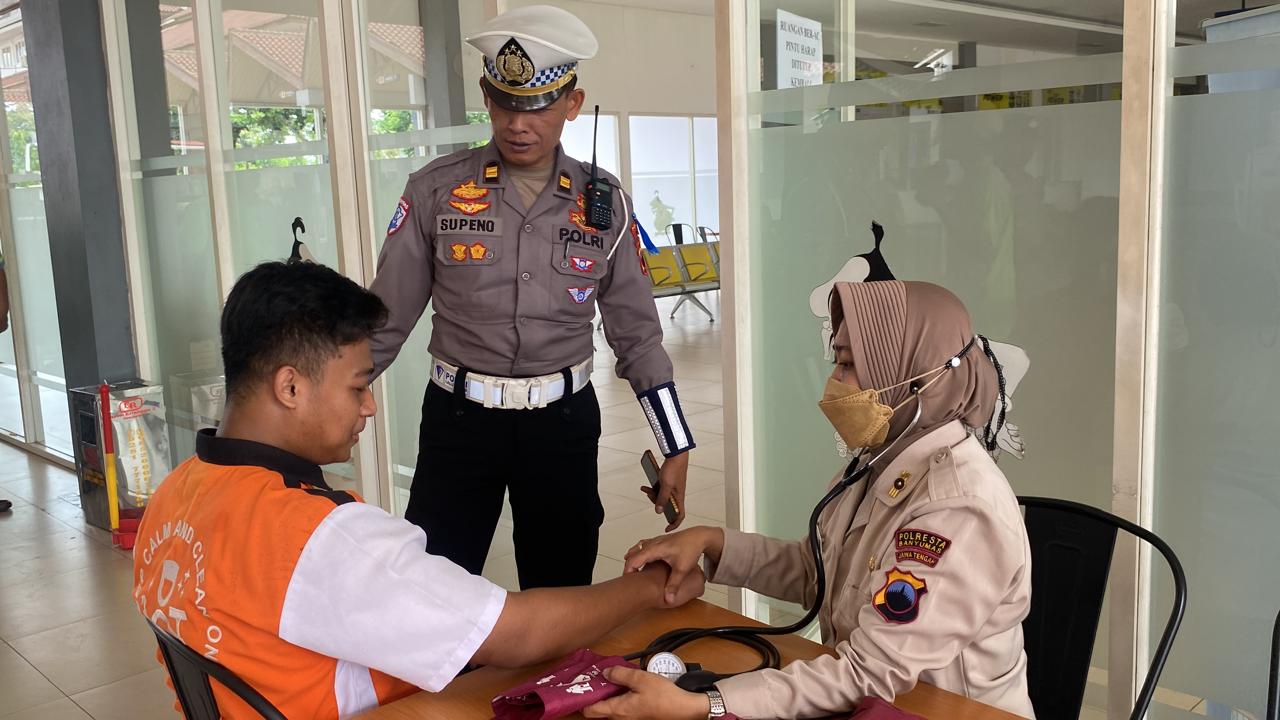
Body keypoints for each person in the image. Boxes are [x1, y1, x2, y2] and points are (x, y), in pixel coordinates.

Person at [131, 260, 705, 719]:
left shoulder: (176, 492)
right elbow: (519, 633)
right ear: (290, 387)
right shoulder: (318, 538)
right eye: (358, 387)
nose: (369, 407)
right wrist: (653, 586)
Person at [586, 281, 1035, 720]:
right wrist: (711, 542)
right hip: (872, 701)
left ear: (915, 378)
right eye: (836, 361)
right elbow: (817, 572)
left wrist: (708, 704)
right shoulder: (880, 460)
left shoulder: (958, 509)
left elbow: (869, 673)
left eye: (848, 364)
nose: (833, 382)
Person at [369, 4, 696, 590]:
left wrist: (674, 442)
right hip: (459, 422)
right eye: (505, 104)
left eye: (539, 105)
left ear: (572, 103)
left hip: (561, 424)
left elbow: (637, 334)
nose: (518, 124)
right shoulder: (436, 191)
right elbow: (383, 323)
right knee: (435, 585)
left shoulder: (604, 203)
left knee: (561, 583)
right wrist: (313, 410)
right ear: (486, 97)